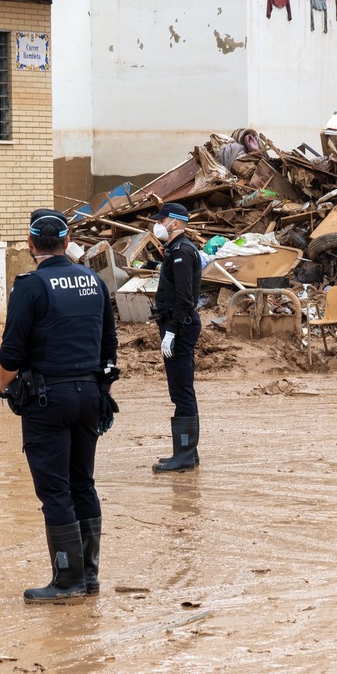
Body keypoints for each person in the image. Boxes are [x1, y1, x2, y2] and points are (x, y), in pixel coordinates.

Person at [0, 209, 118, 603]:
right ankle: (89, 576)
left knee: (56, 491)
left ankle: (67, 580)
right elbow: (108, 344)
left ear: (31, 245)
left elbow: (11, 352)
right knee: (83, 483)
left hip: (48, 399)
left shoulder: (30, 286)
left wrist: (4, 388)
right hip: (89, 395)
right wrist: (99, 389)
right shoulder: (93, 281)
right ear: (67, 242)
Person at [152, 202, 202, 472]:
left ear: (176, 222)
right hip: (177, 323)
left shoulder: (182, 251)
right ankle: (187, 453)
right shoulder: (175, 250)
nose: (158, 224)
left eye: (162, 220)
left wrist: (171, 331)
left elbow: (184, 298)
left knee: (181, 390)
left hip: (179, 326)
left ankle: (184, 455)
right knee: (181, 389)